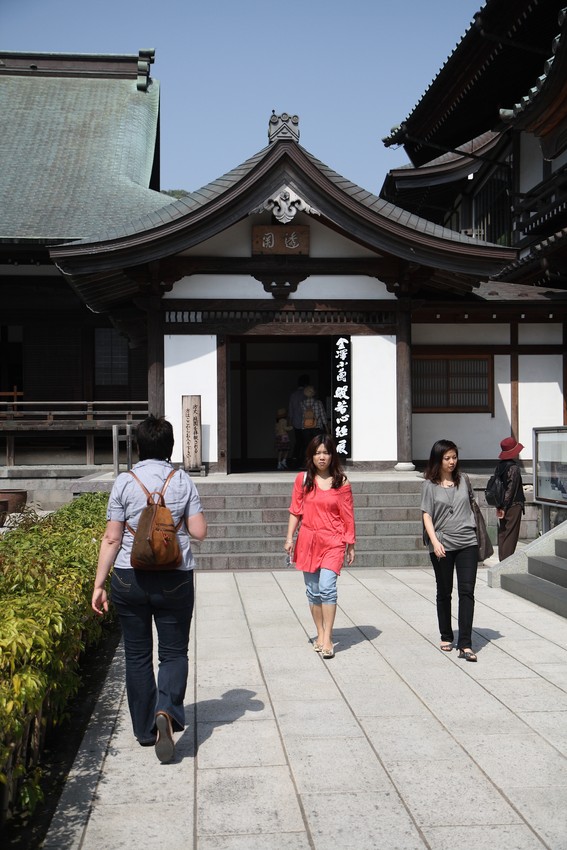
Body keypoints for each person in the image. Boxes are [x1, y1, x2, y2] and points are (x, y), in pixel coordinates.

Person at [92, 415, 207, 762]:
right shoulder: (182, 480)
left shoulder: (124, 482)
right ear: (170, 447)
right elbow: (199, 532)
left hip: (130, 577)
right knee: (173, 653)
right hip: (175, 577)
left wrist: (99, 584)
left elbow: (112, 538)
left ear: (138, 447)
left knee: (137, 654)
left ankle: (145, 731)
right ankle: (166, 711)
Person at [284, 434, 355, 659]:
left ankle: (328, 637)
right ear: (311, 456)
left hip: (333, 541)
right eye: (317, 453)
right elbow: (295, 510)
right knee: (313, 592)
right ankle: (320, 632)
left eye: (325, 452)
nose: (321, 457)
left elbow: (348, 515)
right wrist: (289, 538)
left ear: (332, 455)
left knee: (327, 587)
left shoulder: (341, 481)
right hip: (308, 540)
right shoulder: (303, 479)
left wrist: (350, 544)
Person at [421, 439, 479, 662]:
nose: (452, 462)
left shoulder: (464, 480)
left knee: (467, 591)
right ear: (438, 460)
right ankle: (446, 634)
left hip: (467, 541)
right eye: (447, 458)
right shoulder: (429, 485)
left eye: (454, 457)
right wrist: (435, 542)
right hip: (442, 542)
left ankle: (465, 643)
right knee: (444, 591)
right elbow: (426, 515)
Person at [494, 437, 525, 561]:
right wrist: (505, 506)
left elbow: (498, 487)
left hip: (501, 504)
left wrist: (500, 506)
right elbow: (511, 489)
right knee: (511, 535)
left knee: (503, 533)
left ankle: (502, 560)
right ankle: (506, 562)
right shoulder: (514, 468)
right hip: (513, 505)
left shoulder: (500, 466)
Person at [288, 373, 310, 468]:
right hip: (308, 423)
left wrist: (290, 421)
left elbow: (291, 410)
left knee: (298, 442)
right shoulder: (307, 395)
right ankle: (304, 461)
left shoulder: (293, 395)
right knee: (306, 442)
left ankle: (295, 460)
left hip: (296, 422)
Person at [300, 386, 327, 459]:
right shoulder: (318, 402)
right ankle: (316, 460)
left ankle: (307, 460)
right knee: (317, 445)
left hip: (305, 427)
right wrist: (326, 427)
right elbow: (322, 415)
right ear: (313, 393)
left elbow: (302, 415)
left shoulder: (302, 403)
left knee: (307, 445)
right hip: (317, 426)